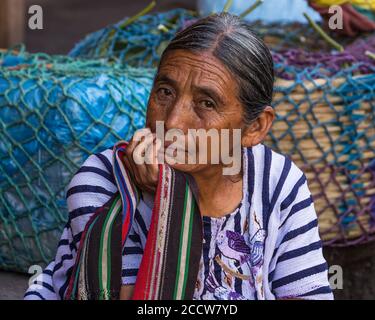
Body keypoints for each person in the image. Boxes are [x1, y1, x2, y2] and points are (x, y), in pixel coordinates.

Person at [25, 12, 333, 300]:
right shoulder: (103, 181)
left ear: (254, 127)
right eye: (165, 92)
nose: (172, 122)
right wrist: (171, 195)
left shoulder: (278, 183)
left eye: (207, 103)